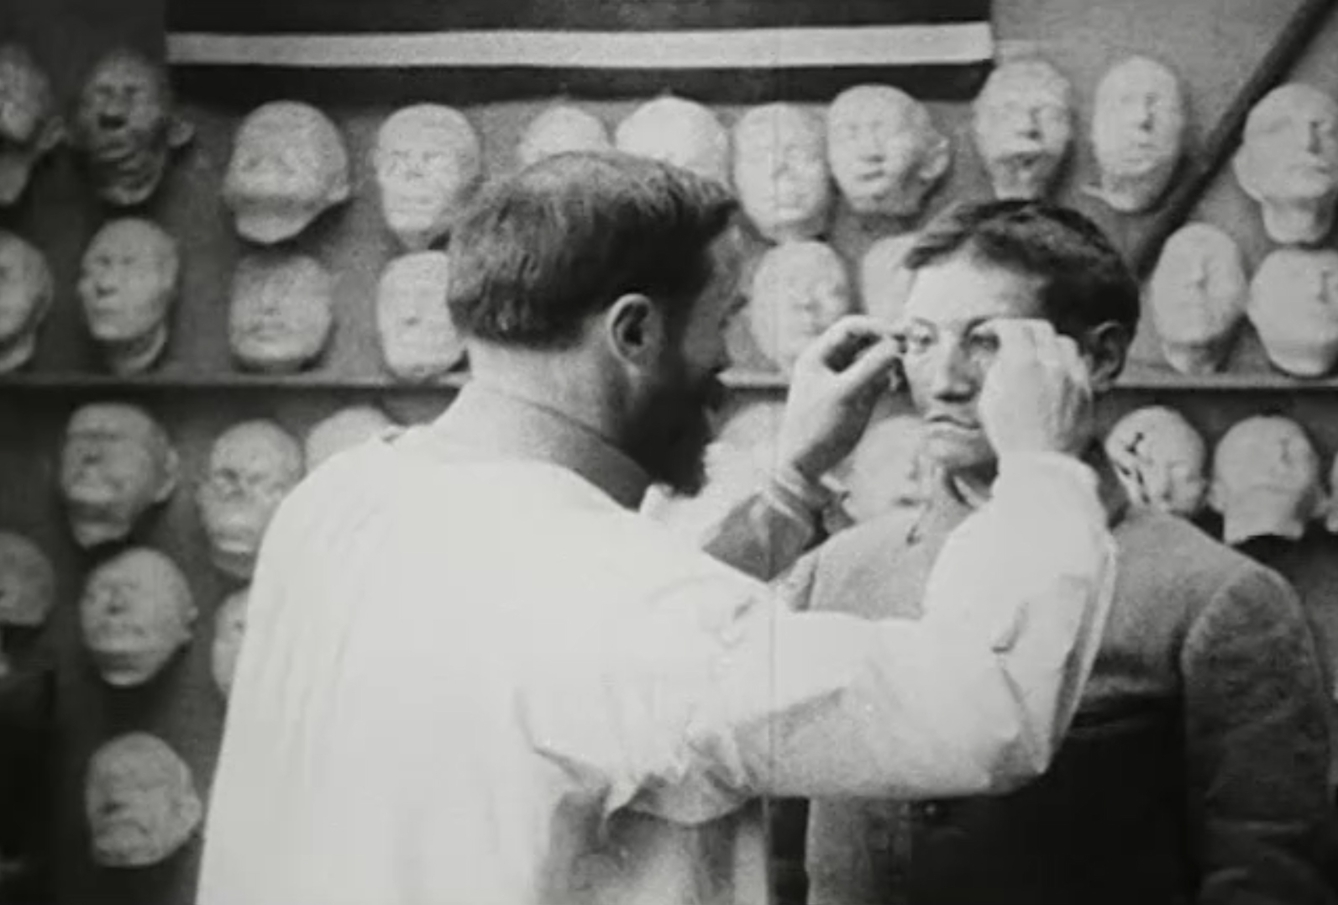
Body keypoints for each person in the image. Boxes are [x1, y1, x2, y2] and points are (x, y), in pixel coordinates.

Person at [198, 152, 1115, 905]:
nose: (730, 364)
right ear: (633, 332)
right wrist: (1040, 467)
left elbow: (593, 661)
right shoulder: (617, 604)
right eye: (724, 323)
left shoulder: (344, 498)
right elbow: (987, 706)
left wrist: (791, 481)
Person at [795, 199, 1337, 905]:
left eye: (984, 341)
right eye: (921, 340)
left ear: (1100, 357)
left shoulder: (1216, 597)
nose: (945, 379)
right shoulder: (842, 571)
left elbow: (1268, 877)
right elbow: (784, 856)